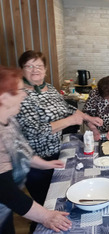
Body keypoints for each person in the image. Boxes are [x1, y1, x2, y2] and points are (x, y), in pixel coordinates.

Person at [16, 50, 103, 208]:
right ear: (22, 69)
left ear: (45, 69)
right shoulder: (19, 94)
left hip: (58, 152)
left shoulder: (48, 88)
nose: (35, 70)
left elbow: (67, 108)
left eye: (39, 66)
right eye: (29, 66)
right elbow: (35, 132)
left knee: (60, 196)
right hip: (36, 160)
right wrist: (69, 121)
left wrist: (88, 118)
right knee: (45, 203)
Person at [0, 66, 72, 233]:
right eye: (19, 90)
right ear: (3, 97)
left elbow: (19, 149)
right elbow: (5, 190)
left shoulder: (8, 118)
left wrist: (42, 164)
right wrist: (45, 216)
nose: (25, 94)